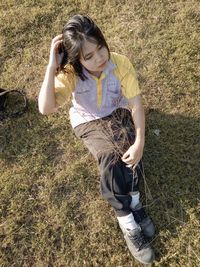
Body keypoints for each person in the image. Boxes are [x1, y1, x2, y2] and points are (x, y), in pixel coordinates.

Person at [38, 14, 155, 265]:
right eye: (89, 56)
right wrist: (51, 67)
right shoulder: (70, 73)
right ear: (76, 60)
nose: (99, 58)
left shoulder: (121, 64)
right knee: (109, 155)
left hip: (117, 111)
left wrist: (140, 142)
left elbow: (135, 103)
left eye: (100, 48)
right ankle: (126, 219)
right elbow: (45, 108)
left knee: (128, 145)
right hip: (88, 119)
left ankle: (135, 201)